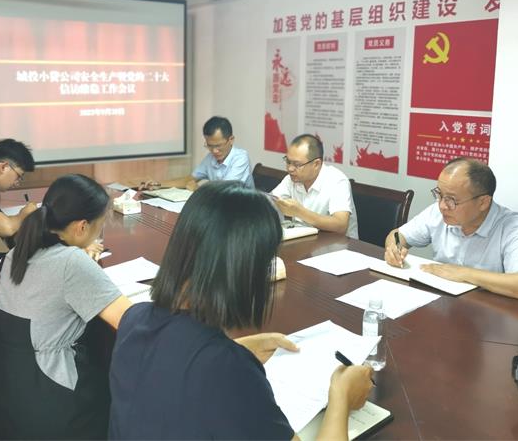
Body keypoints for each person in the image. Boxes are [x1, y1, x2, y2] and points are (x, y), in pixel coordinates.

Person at [108, 181, 373, 439]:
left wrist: (238, 348)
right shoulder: (229, 372)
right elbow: (211, 372)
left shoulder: (134, 319)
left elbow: (177, 360)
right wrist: (341, 397)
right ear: (245, 267)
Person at [0, 174, 133, 440]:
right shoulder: (71, 263)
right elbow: (129, 321)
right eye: (99, 225)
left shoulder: (16, 252)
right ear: (81, 226)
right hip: (53, 404)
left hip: (8, 393)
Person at [384, 158, 518, 302]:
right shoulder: (438, 212)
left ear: (483, 202)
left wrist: (464, 274)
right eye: (439, 194)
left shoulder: (512, 228)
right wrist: (395, 249)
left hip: (490, 314)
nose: (442, 205)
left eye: (452, 200)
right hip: (444, 304)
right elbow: (397, 235)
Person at [271, 133, 359, 238]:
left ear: (316, 164)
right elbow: (270, 202)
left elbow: (341, 225)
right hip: (306, 240)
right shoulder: (292, 178)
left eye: (297, 164)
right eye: (288, 161)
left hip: (338, 244)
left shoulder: (337, 181)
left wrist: (300, 212)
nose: (290, 168)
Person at [140, 116, 254, 190]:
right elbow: (188, 180)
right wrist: (158, 184)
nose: (214, 151)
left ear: (231, 140)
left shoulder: (241, 158)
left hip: (242, 212)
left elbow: (225, 192)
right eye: (210, 146)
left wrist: (198, 190)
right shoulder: (211, 158)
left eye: (218, 145)